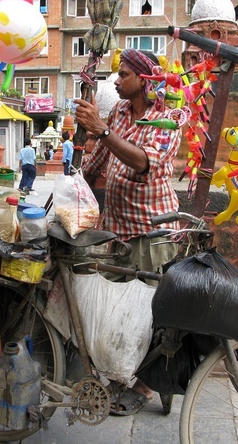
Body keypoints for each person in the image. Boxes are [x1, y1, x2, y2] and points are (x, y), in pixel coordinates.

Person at [74, 48, 182, 415]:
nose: (116, 81)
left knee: (153, 315)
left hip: (152, 231)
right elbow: (100, 159)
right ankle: (118, 373)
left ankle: (147, 385)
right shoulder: (119, 111)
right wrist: (75, 187)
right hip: (116, 229)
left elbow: (143, 163)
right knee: (115, 310)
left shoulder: (168, 117)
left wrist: (100, 130)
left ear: (143, 80)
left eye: (122, 75)